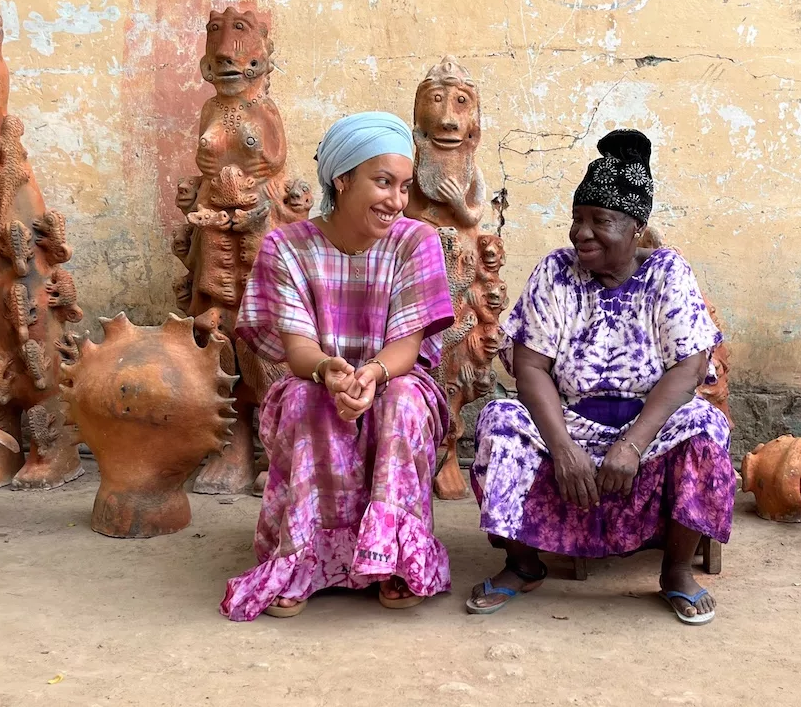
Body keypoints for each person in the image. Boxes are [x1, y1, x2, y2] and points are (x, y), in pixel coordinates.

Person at [468, 129, 736, 625]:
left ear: (635, 227)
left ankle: (675, 572)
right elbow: (530, 366)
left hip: (647, 426)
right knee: (498, 421)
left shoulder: (666, 273)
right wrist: (564, 447)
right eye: (577, 219)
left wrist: (632, 444)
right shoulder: (556, 272)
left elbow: (690, 368)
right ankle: (522, 565)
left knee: (704, 429)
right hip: (570, 420)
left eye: (599, 221)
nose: (581, 232)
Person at [220, 111, 456, 621]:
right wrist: (329, 369)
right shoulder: (286, 248)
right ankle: (303, 559)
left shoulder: (417, 242)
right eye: (383, 182)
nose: (396, 200)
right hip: (316, 374)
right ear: (342, 179)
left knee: (405, 402)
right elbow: (297, 347)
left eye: (403, 186)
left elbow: (406, 347)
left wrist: (371, 374)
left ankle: (393, 559)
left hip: (394, 375)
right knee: (307, 400)